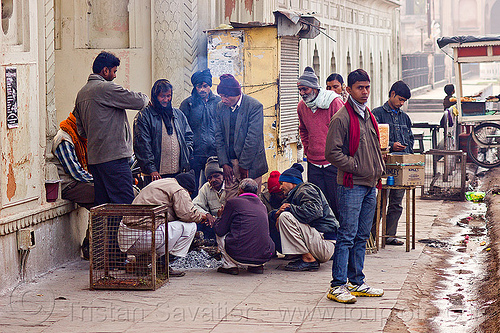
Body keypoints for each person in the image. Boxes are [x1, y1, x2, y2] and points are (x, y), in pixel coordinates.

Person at [325, 69, 385, 304]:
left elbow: (373, 145)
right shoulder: (342, 118)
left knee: (362, 235)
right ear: (348, 90)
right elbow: (332, 152)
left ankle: (356, 281)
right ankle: (337, 285)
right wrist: (356, 165)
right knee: (347, 235)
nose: (365, 92)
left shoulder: (368, 114)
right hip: (352, 184)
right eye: (360, 88)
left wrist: (377, 169)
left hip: (370, 184)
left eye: (367, 87)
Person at [74, 51, 149, 206]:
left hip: (95, 160)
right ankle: (122, 232)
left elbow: (81, 131)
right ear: (105, 70)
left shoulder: (81, 94)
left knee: (104, 206)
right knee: (124, 204)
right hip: (114, 158)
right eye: (114, 71)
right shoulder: (106, 88)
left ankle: (107, 232)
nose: (115, 76)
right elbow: (140, 102)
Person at [118, 172, 214, 277]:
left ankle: (143, 263)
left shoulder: (163, 183)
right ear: (188, 191)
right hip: (143, 238)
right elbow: (187, 215)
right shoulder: (179, 190)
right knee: (190, 226)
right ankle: (163, 264)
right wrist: (204, 216)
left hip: (126, 239)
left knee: (164, 224)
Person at [271, 163, 338, 272]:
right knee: (281, 215)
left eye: (281, 183)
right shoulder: (296, 193)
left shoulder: (305, 189)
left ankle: (308, 259)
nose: (280, 187)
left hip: (325, 242)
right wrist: (277, 213)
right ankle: (302, 256)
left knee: (285, 217)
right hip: (320, 241)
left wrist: (289, 209)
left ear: (291, 182)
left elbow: (315, 212)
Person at [297, 67, 344, 220]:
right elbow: (303, 130)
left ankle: (339, 238)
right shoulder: (302, 107)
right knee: (317, 202)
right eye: (300, 89)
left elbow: (344, 131)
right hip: (313, 162)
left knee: (337, 203)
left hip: (333, 163)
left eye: (305, 89)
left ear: (315, 88)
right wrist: (307, 149)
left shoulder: (334, 102)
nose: (302, 93)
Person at [372, 81, 413, 246]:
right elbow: (373, 139)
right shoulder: (378, 114)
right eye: (400, 99)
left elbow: (410, 140)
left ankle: (390, 235)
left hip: (401, 167)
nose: (401, 103)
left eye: (404, 101)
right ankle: (372, 235)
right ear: (392, 94)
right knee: (380, 202)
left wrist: (406, 149)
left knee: (396, 203)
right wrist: (390, 145)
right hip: (384, 166)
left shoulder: (405, 117)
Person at [214, 74, 268, 199]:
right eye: (221, 96)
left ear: (236, 94)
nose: (223, 99)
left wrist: (244, 165)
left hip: (251, 164)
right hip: (230, 164)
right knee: (231, 202)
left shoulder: (254, 106)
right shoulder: (220, 107)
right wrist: (224, 163)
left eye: (226, 96)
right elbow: (219, 136)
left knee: (250, 202)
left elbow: (253, 139)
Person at [134, 79, 193, 187]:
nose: (166, 100)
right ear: (155, 96)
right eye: (162, 96)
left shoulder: (178, 114)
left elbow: (188, 136)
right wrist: (151, 169)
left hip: (177, 173)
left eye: (168, 96)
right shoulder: (144, 116)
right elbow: (142, 145)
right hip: (155, 175)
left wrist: (186, 154)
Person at [52, 112, 95, 260]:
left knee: (103, 199)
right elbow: (76, 173)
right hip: (68, 186)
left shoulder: (79, 138)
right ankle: (92, 245)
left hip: (77, 183)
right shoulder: (64, 139)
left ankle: (92, 244)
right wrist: (98, 181)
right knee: (103, 196)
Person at [214, 178, 275, 275]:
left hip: (238, 255)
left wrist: (220, 217)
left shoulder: (233, 202)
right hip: (263, 256)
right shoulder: (262, 205)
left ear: (240, 190)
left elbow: (220, 230)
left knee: (219, 230)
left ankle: (230, 266)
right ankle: (257, 266)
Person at [180, 69, 221, 195]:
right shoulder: (188, 104)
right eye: (199, 86)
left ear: (209, 86)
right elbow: (182, 131)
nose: (202, 89)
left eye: (205, 86)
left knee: (215, 186)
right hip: (195, 154)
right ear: (195, 87)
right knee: (193, 188)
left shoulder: (219, 102)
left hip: (214, 153)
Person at [192, 156, 227, 240]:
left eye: (216, 176)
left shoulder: (230, 186)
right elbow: (195, 205)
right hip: (212, 223)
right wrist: (207, 215)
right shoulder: (206, 187)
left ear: (223, 175)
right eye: (209, 178)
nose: (213, 180)